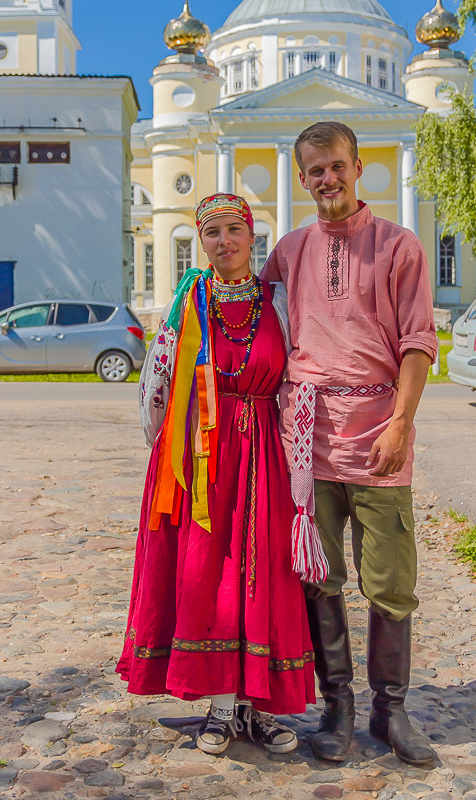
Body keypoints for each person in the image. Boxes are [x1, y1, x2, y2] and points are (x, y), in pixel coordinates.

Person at [260, 121, 438, 768]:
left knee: (390, 584)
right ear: (301, 177)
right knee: (318, 577)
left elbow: (418, 342)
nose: (326, 179)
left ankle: (391, 711)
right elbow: (257, 325)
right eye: (314, 171)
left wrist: (400, 423)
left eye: (336, 166)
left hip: (377, 434)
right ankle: (337, 708)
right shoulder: (288, 250)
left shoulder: (398, 247)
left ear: (358, 167)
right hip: (306, 440)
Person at [116, 193, 316, 756]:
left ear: (252, 236)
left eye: (234, 230)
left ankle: (256, 706)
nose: (224, 241)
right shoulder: (188, 300)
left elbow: (299, 376)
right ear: (200, 242)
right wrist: (164, 456)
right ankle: (220, 708)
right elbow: (157, 379)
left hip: (263, 455)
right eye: (212, 233)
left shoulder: (276, 303)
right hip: (199, 455)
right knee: (208, 573)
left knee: (262, 573)